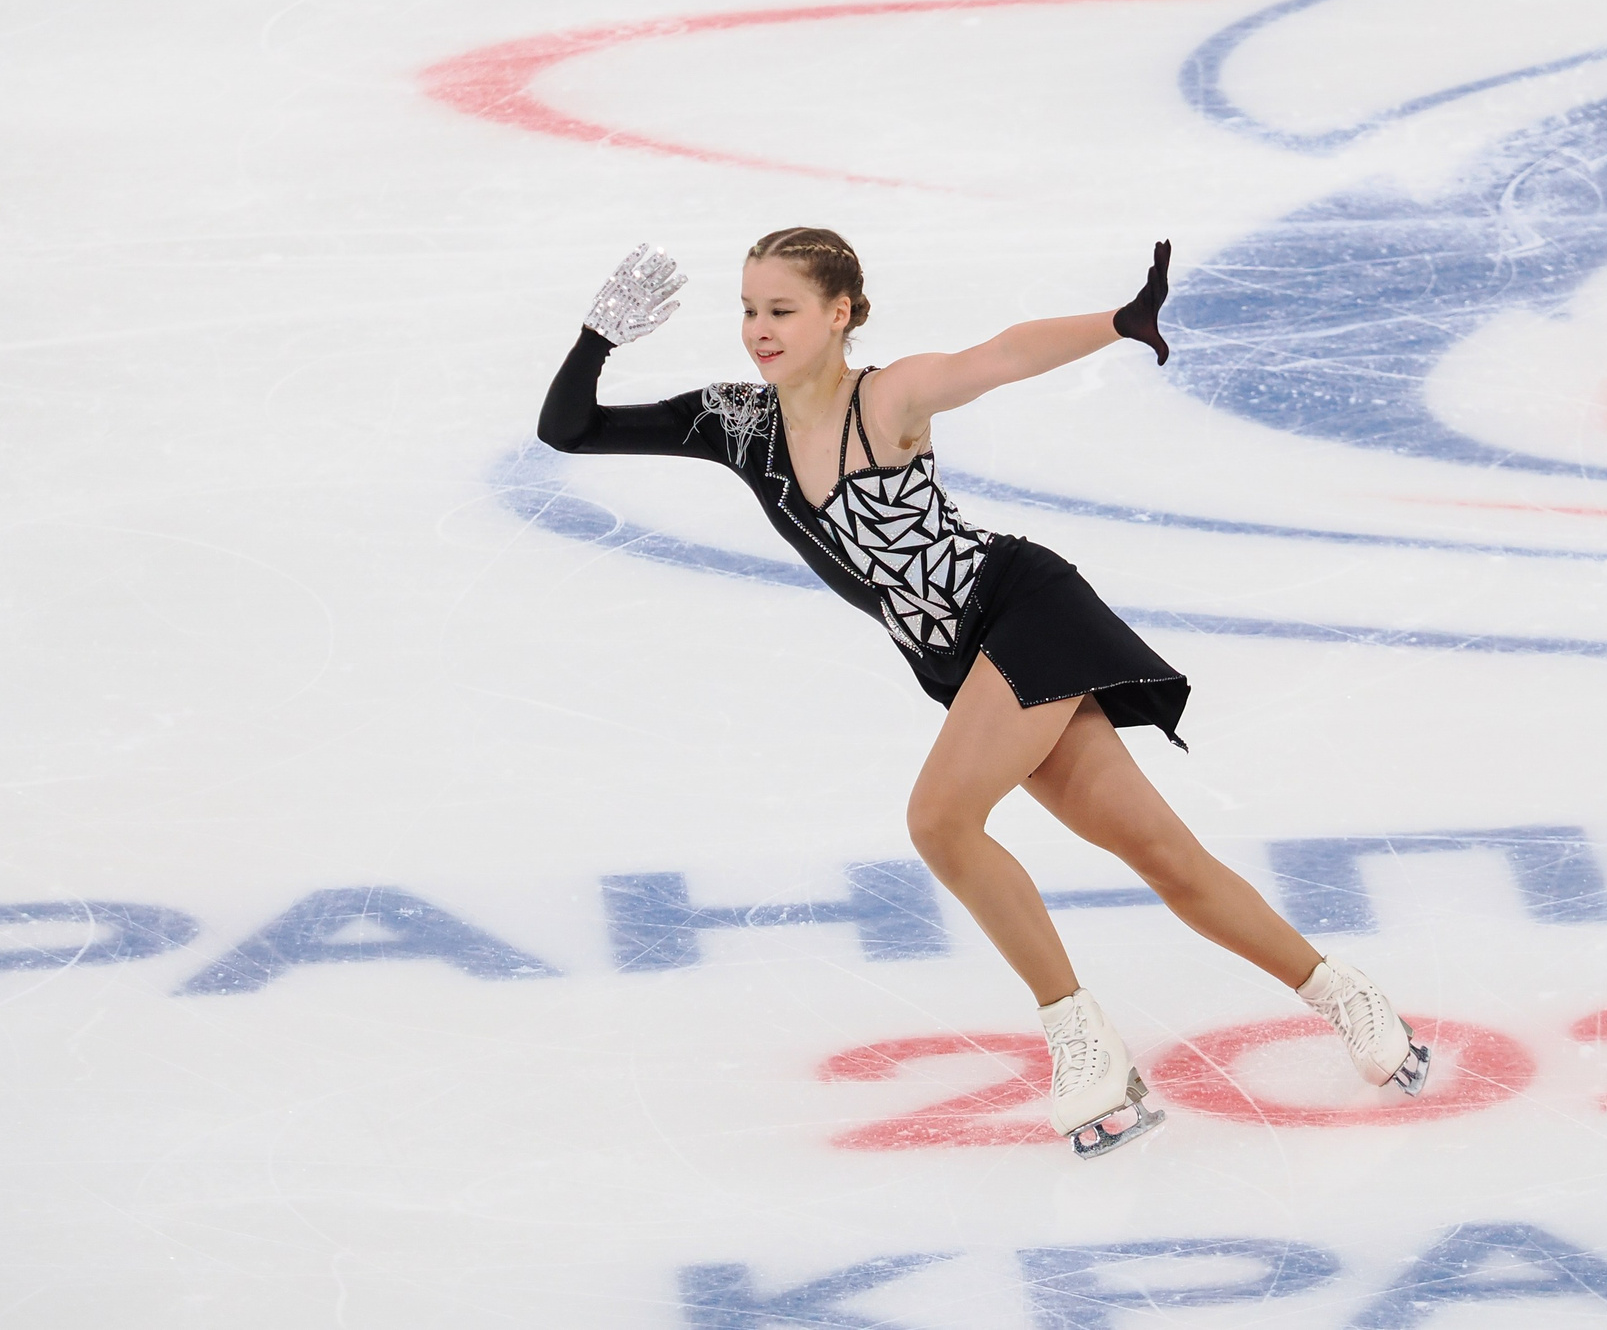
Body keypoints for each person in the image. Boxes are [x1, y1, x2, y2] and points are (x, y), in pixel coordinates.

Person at [538, 226, 1429, 1158]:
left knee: (941, 818)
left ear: (838, 315)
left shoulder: (886, 398)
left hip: (1020, 611)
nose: (760, 329)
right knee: (1163, 853)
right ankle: (1346, 993)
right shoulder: (736, 423)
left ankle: (1082, 1041)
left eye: (783, 310)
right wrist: (598, 338)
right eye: (750, 309)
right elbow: (570, 428)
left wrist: (1120, 321)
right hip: (958, 663)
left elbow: (1000, 356)